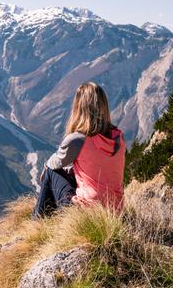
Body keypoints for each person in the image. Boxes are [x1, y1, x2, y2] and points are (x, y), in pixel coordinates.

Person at [33, 82, 126, 218]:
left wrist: (47, 167)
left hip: (86, 212)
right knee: (68, 172)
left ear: (79, 108)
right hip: (114, 210)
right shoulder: (118, 138)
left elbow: (54, 163)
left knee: (50, 172)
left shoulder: (78, 139)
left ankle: (37, 221)